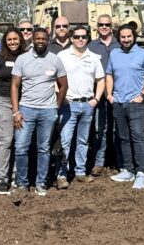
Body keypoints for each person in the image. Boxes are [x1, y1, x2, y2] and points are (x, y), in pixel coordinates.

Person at [11, 28, 68, 196]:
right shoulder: (22, 59)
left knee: (43, 148)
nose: (41, 41)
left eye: (44, 39)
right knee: (20, 147)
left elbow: (64, 85)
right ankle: (22, 183)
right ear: (33, 40)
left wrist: (56, 107)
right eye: (38, 38)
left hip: (48, 111)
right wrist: (15, 111)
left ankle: (41, 183)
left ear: (48, 40)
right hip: (26, 109)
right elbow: (14, 86)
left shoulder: (55, 60)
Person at [106, 24, 144, 190]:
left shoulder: (142, 54)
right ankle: (128, 170)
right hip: (118, 102)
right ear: (119, 38)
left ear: (134, 37)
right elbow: (109, 75)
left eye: (129, 36)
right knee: (123, 137)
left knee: (138, 137)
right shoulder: (114, 54)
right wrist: (109, 95)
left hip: (135, 103)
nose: (126, 39)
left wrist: (142, 95)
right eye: (123, 37)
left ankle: (141, 172)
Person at [56, 25, 105, 186]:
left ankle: (80, 172)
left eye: (83, 36)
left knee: (83, 141)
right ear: (71, 38)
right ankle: (62, 175)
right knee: (65, 141)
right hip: (68, 104)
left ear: (87, 38)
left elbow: (101, 80)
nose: (80, 39)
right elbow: (55, 78)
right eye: (77, 37)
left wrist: (96, 99)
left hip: (87, 104)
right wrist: (61, 97)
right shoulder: (62, 56)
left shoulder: (94, 57)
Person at [0, 28, 24, 194]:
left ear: (20, 39)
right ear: (5, 41)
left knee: (19, 140)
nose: (12, 42)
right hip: (2, 101)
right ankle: (2, 178)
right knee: (6, 139)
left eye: (15, 39)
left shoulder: (26, 57)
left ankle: (16, 175)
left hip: (22, 102)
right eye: (9, 39)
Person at [87, 13, 118, 175]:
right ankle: (99, 161)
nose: (104, 27)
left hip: (118, 93)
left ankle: (119, 160)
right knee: (100, 129)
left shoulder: (119, 44)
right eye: (101, 25)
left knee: (119, 128)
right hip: (98, 94)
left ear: (111, 26)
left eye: (107, 25)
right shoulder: (91, 46)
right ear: (96, 27)